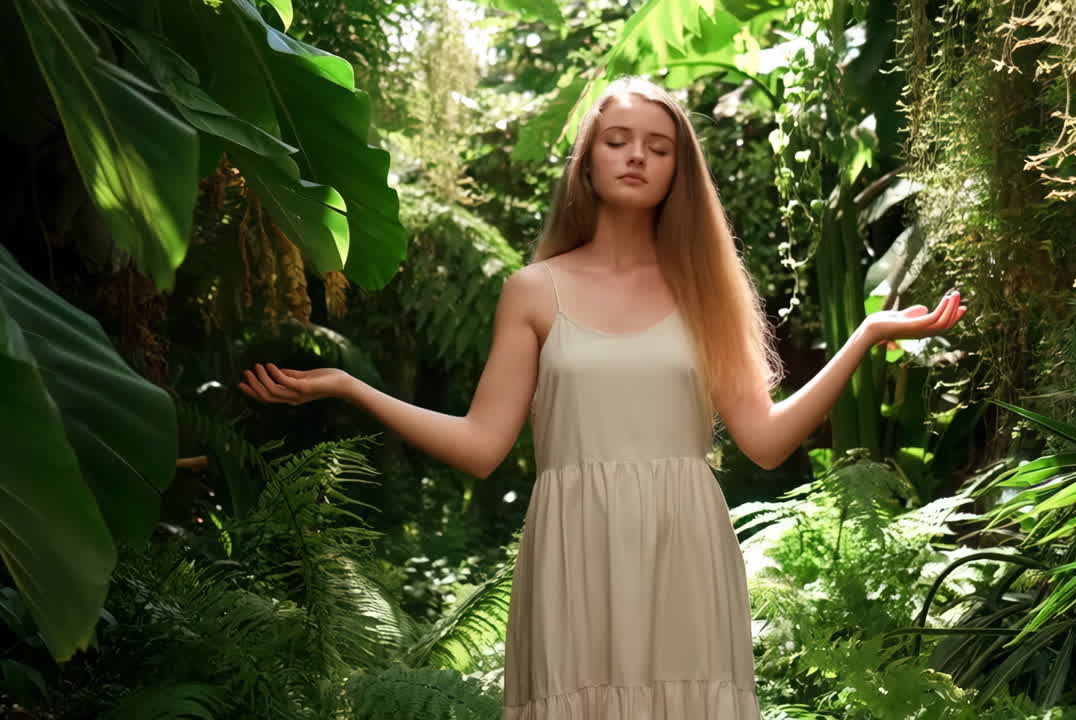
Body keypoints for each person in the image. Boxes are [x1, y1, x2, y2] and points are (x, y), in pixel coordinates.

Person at [239, 76, 966, 719]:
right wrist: (350, 385)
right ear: (586, 162)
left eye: (657, 145)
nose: (636, 156)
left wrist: (865, 335)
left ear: (679, 170)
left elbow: (766, 440)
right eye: (617, 140)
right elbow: (482, 446)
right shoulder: (534, 291)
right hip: (573, 551)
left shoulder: (708, 292)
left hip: (685, 550)